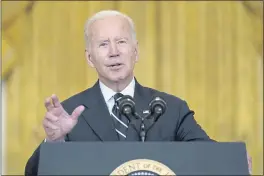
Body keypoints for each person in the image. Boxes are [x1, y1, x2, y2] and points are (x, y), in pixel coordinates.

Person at [24, 10, 249, 175]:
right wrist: (54, 142)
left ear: (136, 51)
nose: (114, 52)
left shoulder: (171, 109)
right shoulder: (70, 113)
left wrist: (233, 161)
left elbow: (208, 156)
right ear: (90, 58)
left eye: (121, 42)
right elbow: (34, 173)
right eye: (103, 44)